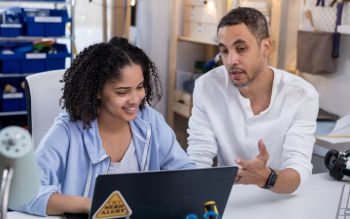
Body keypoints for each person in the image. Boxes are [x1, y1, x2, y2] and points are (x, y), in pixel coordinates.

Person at [21, 37, 196, 216]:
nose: (135, 99)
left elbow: (187, 173)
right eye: (122, 92)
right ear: (97, 91)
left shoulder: (150, 121)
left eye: (140, 87)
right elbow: (22, 193)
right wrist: (89, 204)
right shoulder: (68, 129)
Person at [187, 7, 319, 194]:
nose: (231, 60)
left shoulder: (302, 95)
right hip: (229, 197)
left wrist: (266, 177)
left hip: (279, 197)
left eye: (241, 49)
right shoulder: (207, 87)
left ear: (265, 47)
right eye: (224, 51)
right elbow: (198, 157)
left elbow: (299, 169)